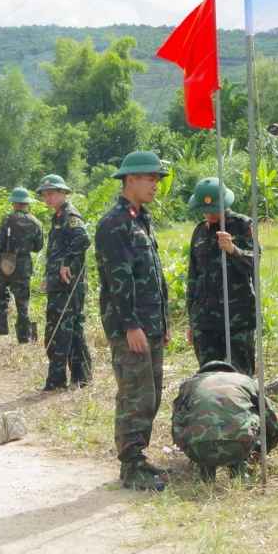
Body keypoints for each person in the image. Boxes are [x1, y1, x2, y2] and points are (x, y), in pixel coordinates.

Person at [96, 151, 174, 489]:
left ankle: (138, 458)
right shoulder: (115, 223)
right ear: (130, 180)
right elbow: (119, 279)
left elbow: (154, 276)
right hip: (131, 328)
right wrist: (130, 325)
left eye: (157, 179)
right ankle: (130, 467)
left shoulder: (141, 219)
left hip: (150, 324)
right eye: (150, 179)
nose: (156, 185)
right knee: (134, 395)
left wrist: (164, 322)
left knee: (151, 395)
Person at [184, 176, 256, 373]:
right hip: (205, 320)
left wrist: (233, 249)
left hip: (236, 318)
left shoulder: (242, 225)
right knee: (209, 376)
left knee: (241, 376)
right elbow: (193, 277)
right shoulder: (199, 232)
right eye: (205, 210)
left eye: (214, 209)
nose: (209, 214)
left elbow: (253, 262)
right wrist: (192, 321)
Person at [171, 360, 278, 482]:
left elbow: (176, 420)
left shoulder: (189, 384)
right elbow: (275, 424)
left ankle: (205, 472)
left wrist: (185, 444)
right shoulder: (246, 382)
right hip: (239, 446)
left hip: (197, 448)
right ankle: (240, 470)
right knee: (251, 415)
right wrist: (261, 450)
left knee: (189, 416)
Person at [37, 175, 92, 391]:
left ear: (63, 192)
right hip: (59, 283)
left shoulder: (69, 215)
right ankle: (81, 378)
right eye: (44, 194)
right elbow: (55, 252)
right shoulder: (58, 217)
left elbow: (83, 239)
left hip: (67, 286)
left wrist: (67, 262)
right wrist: (47, 274)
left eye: (51, 193)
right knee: (73, 330)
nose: (47, 198)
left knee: (58, 331)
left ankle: (57, 381)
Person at [0, 187, 47, 341]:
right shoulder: (36, 222)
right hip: (24, 266)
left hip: (5, 264)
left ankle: (1, 327)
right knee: (23, 303)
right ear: (27, 202)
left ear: (14, 202)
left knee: (1, 295)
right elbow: (38, 247)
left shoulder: (8, 219)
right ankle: (24, 336)